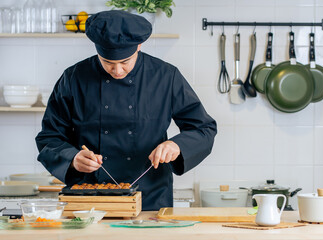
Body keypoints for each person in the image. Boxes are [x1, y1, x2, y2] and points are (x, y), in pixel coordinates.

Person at [35, 10, 217, 211]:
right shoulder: (73, 78)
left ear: (139, 47)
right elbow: (49, 137)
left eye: (124, 62)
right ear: (97, 52)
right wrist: (72, 158)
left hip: (150, 197)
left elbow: (204, 129)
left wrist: (176, 146)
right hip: (88, 198)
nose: (117, 71)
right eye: (108, 63)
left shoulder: (165, 77)